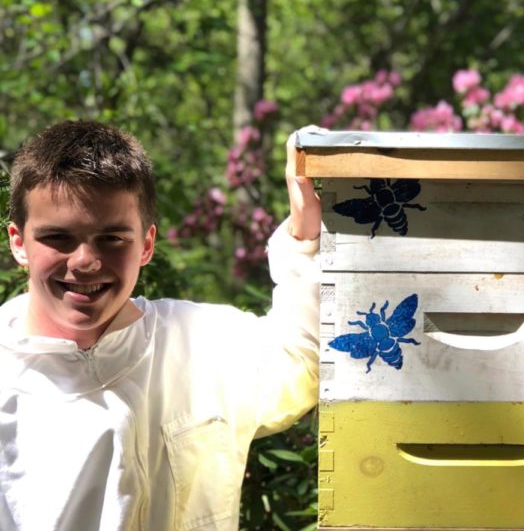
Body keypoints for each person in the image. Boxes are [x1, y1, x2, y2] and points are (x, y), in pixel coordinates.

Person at [0, 120, 323, 530]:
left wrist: (304, 233)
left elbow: (302, 360)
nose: (84, 261)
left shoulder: (198, 343)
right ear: (18, 242)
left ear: (147, 244)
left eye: (112, 238)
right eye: (58, 238)